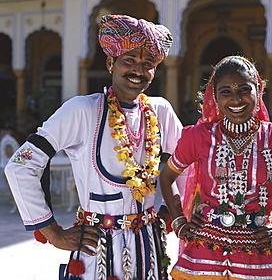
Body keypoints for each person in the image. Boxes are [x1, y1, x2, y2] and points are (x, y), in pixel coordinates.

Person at [5, 14, 184, 280]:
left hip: (149, 251)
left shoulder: (160, 111)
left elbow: (190, 167)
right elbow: (20, 165)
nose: (138, 70)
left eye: (147, 64)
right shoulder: (82, 110)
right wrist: (52, 233)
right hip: (96, 253)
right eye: (129, 61)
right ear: (111, 62)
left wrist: (171, 214)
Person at [160, 55, 272, 279]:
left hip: (258, 251)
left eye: (244, 89)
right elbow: (166, 177)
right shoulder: (199, 137)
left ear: (259, 91)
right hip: (203, 254)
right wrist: (179, 221)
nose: (236, 99)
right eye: (226, 91)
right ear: (214, 97)